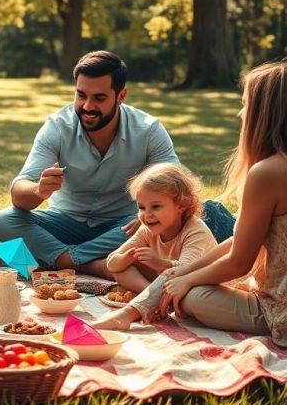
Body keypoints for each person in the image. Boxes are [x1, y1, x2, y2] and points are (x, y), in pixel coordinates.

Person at [98, 59, 287, 343]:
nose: (241, 113)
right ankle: (131, 312)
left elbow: (239, 263)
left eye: (246, 103)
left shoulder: (269, 171)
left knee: (190, 296)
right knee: (182, 280)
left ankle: (129, 313)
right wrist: (184, 271)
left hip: (279, 309)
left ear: (266, 112)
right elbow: (239, 241)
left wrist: (187, 279)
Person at [0, 51, 179, 275]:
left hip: (121, 226)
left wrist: (149, 220)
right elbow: (19, 194)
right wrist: (38, 190)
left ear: (121, 96)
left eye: (99, 98)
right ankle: (96, 266)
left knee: (152, 225)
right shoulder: (57, 126)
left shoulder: (148, 130)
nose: (87, 106)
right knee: (3, 221)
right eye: (81, 95)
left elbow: (177, 187)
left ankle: (61, 261)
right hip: (65, 222)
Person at [91, 163, 217, 329]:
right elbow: (111, 263)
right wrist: (128, 257)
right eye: (141, 207)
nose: (147, 215)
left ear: (181, 205)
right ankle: (150, 295)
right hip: (160, 284)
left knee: (189, 298)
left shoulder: (195, 231)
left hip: (196, 282)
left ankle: (150, 299)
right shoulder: (147, 230)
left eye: (156, 206)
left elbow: (189, 267)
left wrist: (161, 263)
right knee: (121, 268)